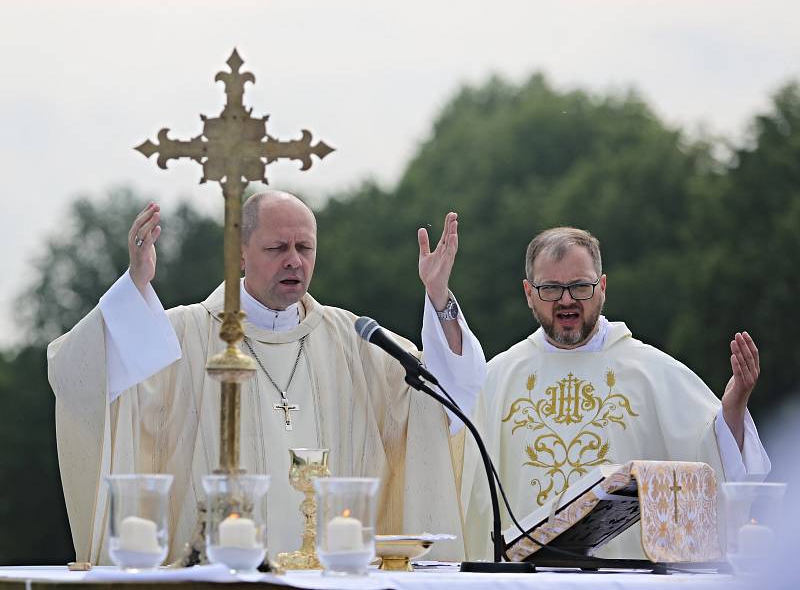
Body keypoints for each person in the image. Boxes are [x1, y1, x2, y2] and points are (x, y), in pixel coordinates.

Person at [48, 191, 486, 564]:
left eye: (305, 248)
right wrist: (135, 287)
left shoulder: (356, 341)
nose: (294, 261)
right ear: (240, 252)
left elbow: (448, 393)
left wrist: (439, 298)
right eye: (278, 248)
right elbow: (77, 379)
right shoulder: (180, 335)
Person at [460, 227, 770, 560]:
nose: (567, 300)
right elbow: (458, 477)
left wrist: (734, 408)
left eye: (580, 286)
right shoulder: (497, 377)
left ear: (602, 287)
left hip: (623, 576)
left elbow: (715, 463)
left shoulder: (651, 370)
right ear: (529, 293)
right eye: (550, 288)